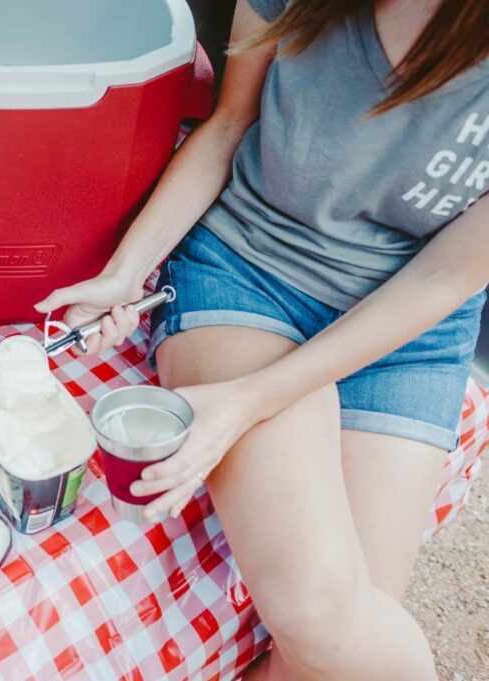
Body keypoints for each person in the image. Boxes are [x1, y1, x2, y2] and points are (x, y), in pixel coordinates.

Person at [37, 0, 488, 678]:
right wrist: (125, 273)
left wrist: (248, 401)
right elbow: (225, 127)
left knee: (324, 650)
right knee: (318, 608)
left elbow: (444, 278)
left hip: (412, 324)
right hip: (250, 271)